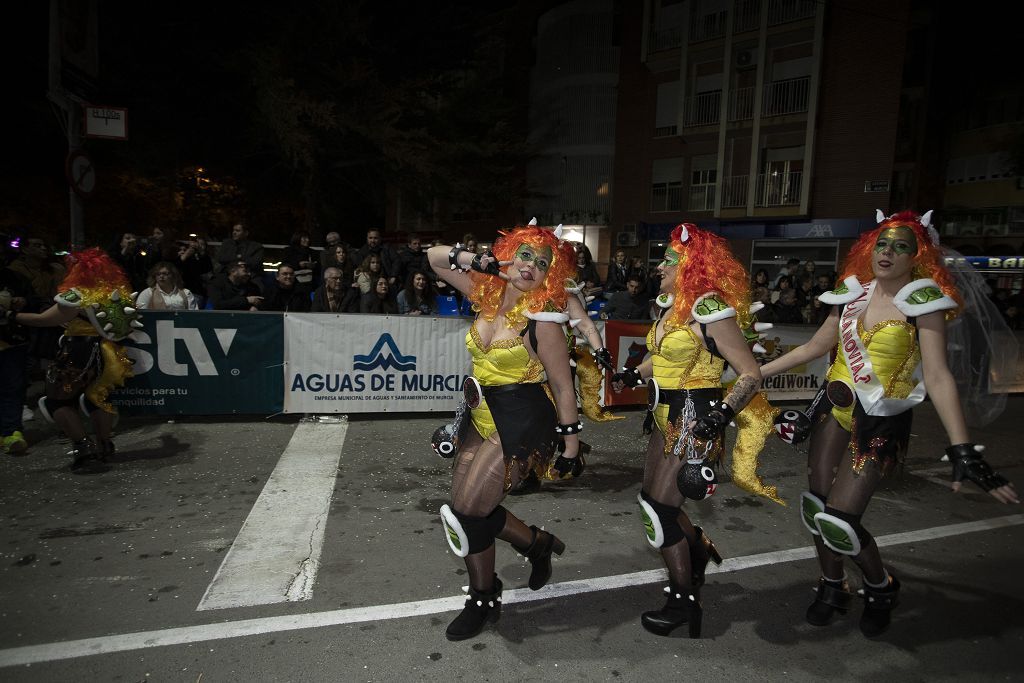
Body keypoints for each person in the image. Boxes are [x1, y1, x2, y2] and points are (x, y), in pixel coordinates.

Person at [761, 210, 1019, 638]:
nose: (887, 252)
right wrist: (757, 372)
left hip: (880, 422)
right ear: (869, 248)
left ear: (918, 256)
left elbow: (937, 376)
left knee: (841, 520)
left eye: (901, 246)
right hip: (832, 410)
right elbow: (813, 347)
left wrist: (962, 449)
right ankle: (832, 585)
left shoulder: (924, 303)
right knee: (817, 508)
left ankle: (880, 586)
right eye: (882, 243)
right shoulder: (850, 294)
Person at [610, 222, 776, 639]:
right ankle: (697, 551)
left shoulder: (708, 309)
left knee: (659, 510)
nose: (659, 265)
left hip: (694, 419)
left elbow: (750, 375)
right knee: (655, 500)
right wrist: (631, 375)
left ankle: (685, 600)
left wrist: (720, 416)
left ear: (691, 266)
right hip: (664, 415)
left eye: (670, 259)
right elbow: (659, 357)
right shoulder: (670, 306)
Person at [426, 222, 582, 641]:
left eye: (543, 263)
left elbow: (564, 386)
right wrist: (473, 260)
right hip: (480, 417)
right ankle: (536, 544)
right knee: (465, 508)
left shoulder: (542, 320)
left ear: (550, 275)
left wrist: (570, 446)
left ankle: (483, 597)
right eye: (525, 255)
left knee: (469, 512)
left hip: (523, 422)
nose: (531, 266)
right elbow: (433, 257)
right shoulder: (484, 293)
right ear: (509, 254)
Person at [5, 248, 142, 472]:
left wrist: (11, 316)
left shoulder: (77, 294)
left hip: (78, 352)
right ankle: (104, 445)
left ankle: (84, 450)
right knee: (97, 398)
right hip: (108, 354)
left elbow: (44, 319)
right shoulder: (117, 293)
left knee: (58, 401)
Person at [177, 235, 214, 305]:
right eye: (197, 244)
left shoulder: (206, 259)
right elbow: (178, 267)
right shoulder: (188, 257)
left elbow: (207, 273)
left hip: (198, 292)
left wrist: (201, 254)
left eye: (202, 244)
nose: (199, 246)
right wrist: (186, 254)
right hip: (183, 290)